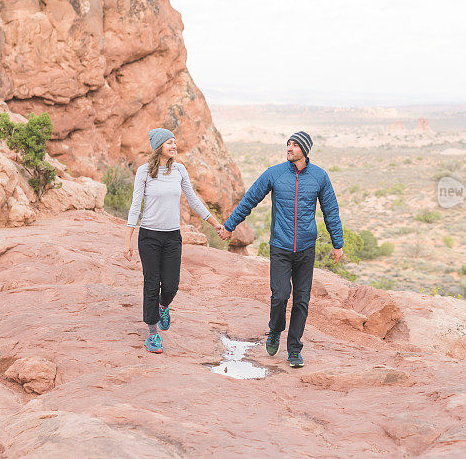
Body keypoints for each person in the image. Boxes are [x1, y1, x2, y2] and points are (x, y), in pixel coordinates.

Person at [218, 131, 343, 368]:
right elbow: (249, 200)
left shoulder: (320, 177)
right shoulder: (274, 173)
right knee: (280, 296)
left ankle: (294, 349)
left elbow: (331, 210)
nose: (289, 148)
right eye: (288, 144)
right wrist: (230, 226)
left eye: (294, 145)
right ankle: (275, 329)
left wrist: (338, 243)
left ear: (304, 150)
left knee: (302, 300)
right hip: (280, 247)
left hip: (306, 248)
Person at [124, 128, 225, 354]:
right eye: (170, 142)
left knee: (171, 285)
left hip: (172, 236)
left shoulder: (179, 170)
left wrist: (215, 224)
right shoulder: (144, 172)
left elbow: (193, 200)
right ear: (159, 146)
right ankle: (152, 334)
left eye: (175, 142)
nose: (174, 146)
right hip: (149, 235)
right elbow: (135, 205)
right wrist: (128, 239)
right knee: (152, 283)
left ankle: (163, 305)